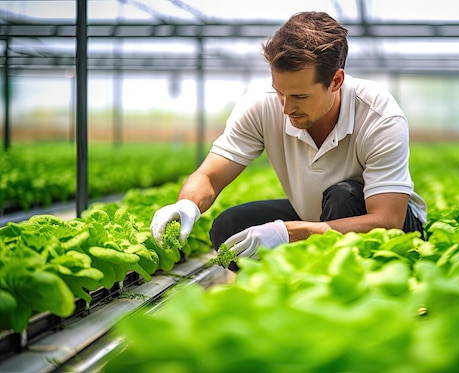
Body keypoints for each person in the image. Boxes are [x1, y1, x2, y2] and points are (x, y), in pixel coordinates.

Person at [150, 11, 427, 271]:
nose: (286, 107)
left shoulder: (378, 115)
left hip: (390, 228)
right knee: (230, 227)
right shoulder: (260, 106)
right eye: (280, 92)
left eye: (300, 97)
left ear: (336, 81)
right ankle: (293, 286)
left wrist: (291, 232)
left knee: (342, 196)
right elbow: (210, 176)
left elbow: (387, 221)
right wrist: (187, 204)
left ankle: (342, 291)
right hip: (316, 214)